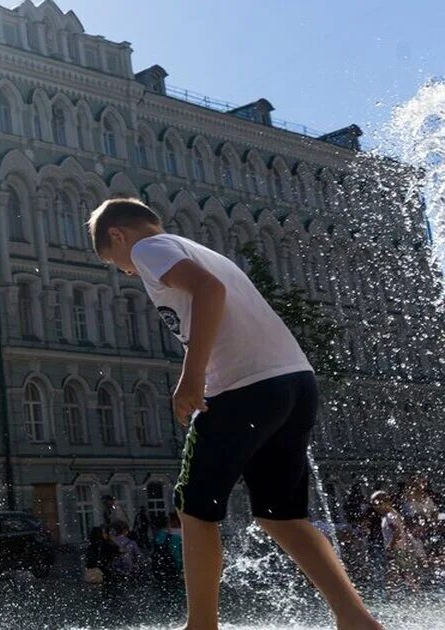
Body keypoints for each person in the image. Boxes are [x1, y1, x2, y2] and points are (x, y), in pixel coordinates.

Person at [87, 197, 382, 630]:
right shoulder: (196, 249)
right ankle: (355, 618)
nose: (127, 272)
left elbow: (210, 291)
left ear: (118, 235)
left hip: (243, 387)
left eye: (117, 263)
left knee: (192, 507)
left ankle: (201, 625)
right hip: (294, 382)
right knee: (281, 516)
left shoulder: (149, 249)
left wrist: (192, 376)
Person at [372, 490, 426, 590]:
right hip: (399, 548)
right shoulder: (390, 514)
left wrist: (391, 546)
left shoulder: (390, 516)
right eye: (374, 504)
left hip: (397, 549)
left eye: (379, 503)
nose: (376, 507)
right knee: (401, 573)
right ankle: (407, 592)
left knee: (400, 573)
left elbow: (397, 532)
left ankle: (412, 592)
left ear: (387, 502)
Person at [152, 512, 183, 582]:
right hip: (173, 570)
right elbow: (177, 555)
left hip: (159, 570)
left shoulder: (156, 536)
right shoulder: (175, 537)